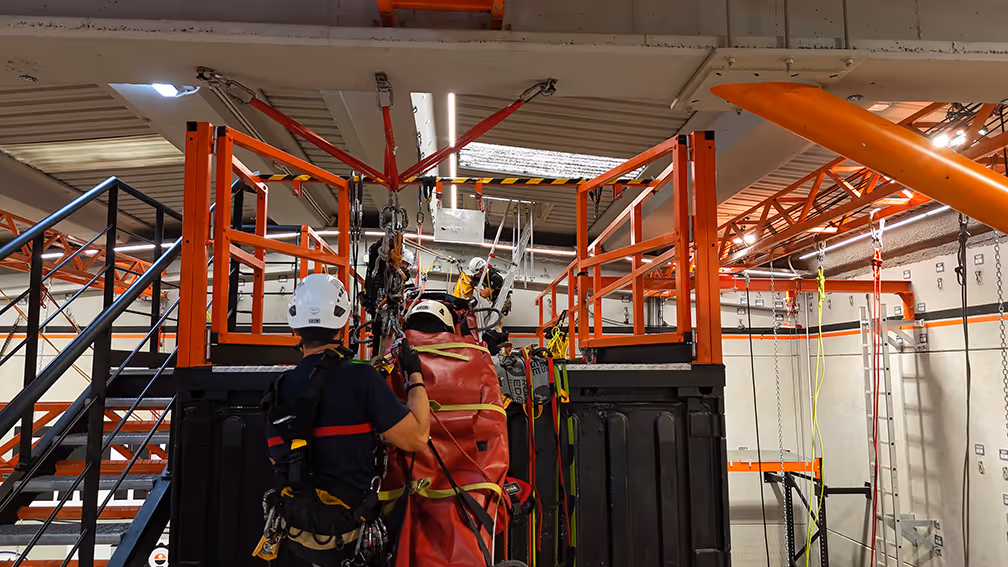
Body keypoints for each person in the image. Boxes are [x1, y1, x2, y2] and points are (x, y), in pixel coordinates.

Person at [258, 273, 430, 567]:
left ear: (294, 325)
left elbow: (278, 459)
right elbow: (416, 438)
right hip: (350, 534)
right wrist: (415, 376)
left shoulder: (278, 387)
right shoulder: (362, 379)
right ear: (344, 323)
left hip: (297, 532)